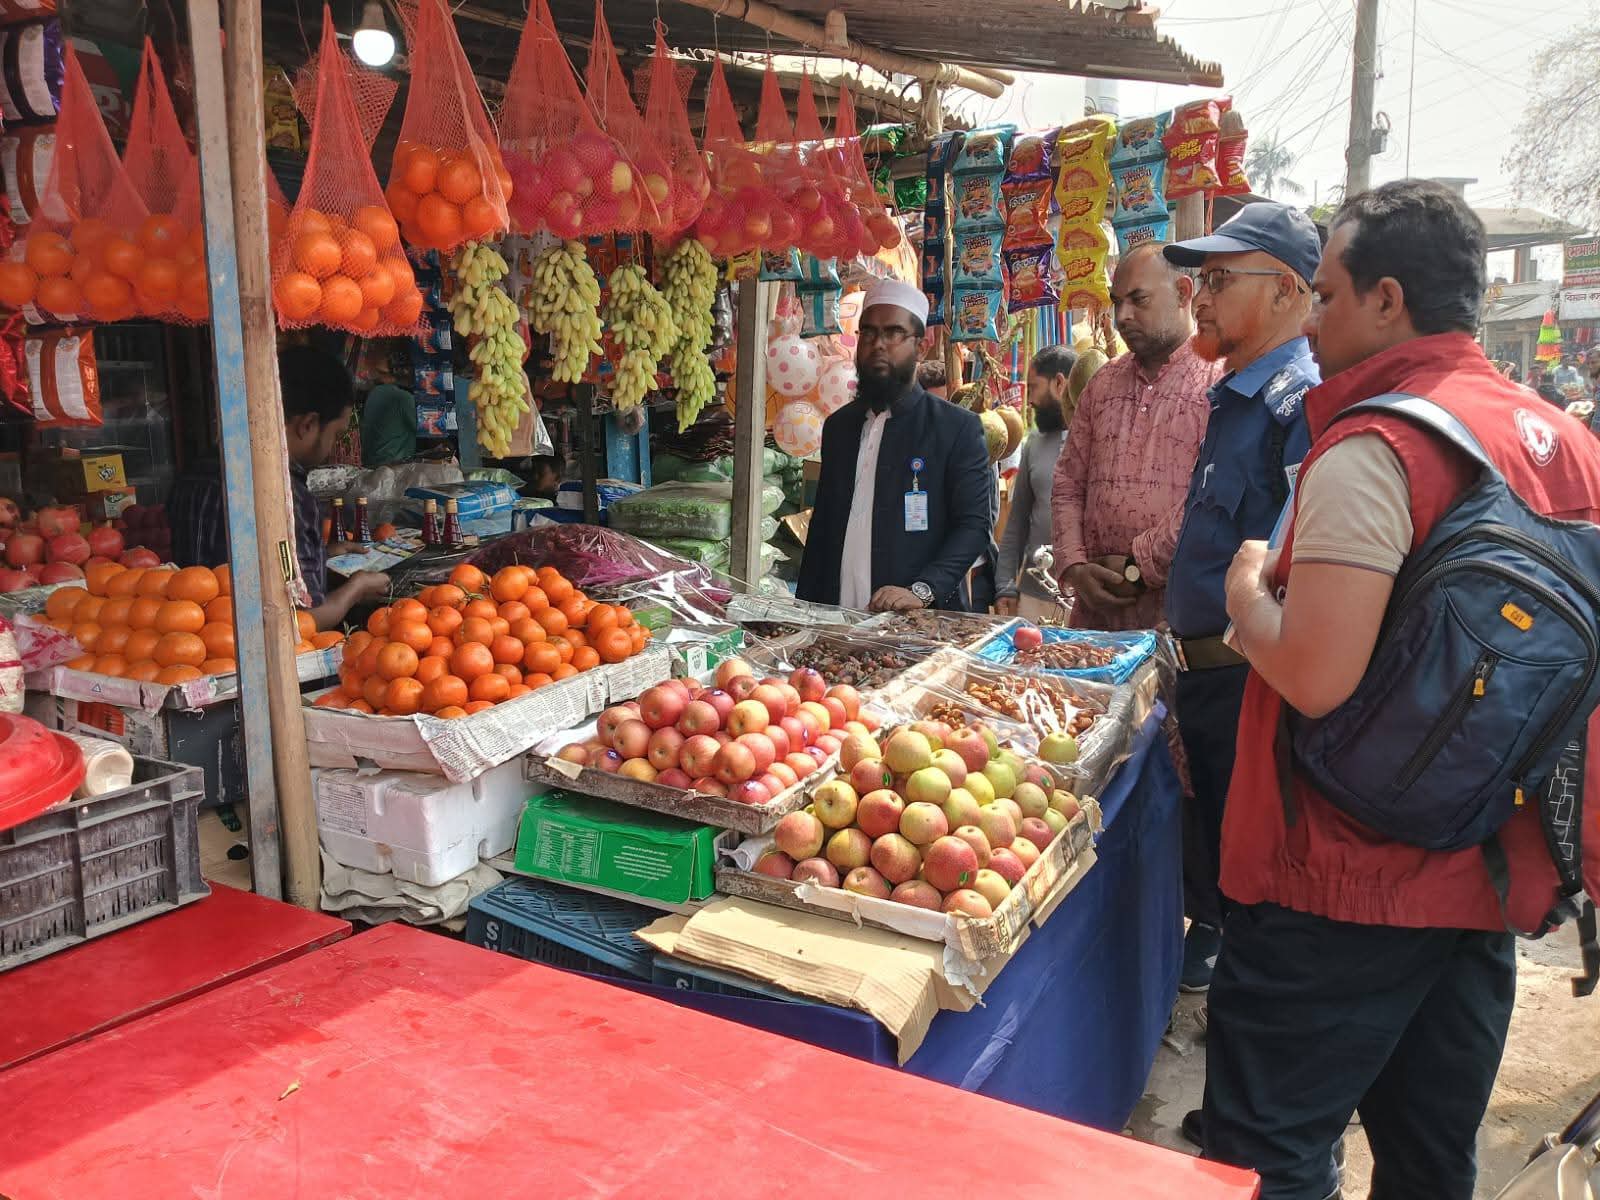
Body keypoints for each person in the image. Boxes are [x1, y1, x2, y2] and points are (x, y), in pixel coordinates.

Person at [1205, 179, 1600, 1200]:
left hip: (1339, 876)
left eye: (1327, 294)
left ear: (1387, 301)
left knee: (1268, 1154)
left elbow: (1315, 676)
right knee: (1429, 1160)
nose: (1316, 314)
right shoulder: (1567, 445)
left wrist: (1247, 592)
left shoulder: (1379, 446)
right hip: (1485, 873)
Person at [1159, 201, 1322, 994]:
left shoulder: (1298, 405)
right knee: (1215, 848)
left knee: (1253, 875)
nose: (1202, 295)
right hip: (1207, 677)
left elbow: (1301, 568)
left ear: (1290, 291)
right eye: (1200, 279)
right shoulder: (1234, 397)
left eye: (1222, 278)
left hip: (1249, 681)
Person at [1049, 243, 1220, 630]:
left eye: (1138, 300)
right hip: (1095, 620)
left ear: (1183, 293)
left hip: (1177, 624)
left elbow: (1209, 498)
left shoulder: (1219, 382)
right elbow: (1068, 483)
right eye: (1116, 302)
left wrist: (1137, 567)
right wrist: (1075, 566)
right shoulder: (1102, 383)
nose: (1122, 316)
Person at [797, 279, 992, 612]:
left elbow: (974, 527)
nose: (878, 344)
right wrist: (804, 612)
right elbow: (822, 529)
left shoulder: (956, 428)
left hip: (918, 625)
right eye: (869, 333)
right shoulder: (839, 427)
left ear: (919, 345)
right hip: (838, 618)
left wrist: (922, 590)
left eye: (893, 333)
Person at [169, 345, 390, 631]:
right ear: (307, 425)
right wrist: (356, 589)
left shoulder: (197, 471)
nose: (333, 445)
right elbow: (300, 619)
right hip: (259, 652)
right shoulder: (285, 498)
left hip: (192, 642)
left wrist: (321, 555)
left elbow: (260, 570)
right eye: (336, 434)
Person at [995, 344, 1077, 620]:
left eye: (1034, 387)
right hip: (1033, 595)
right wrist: (1005, 584)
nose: (1029, 399)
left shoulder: (1101, 441)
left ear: (1059, 383)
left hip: (1084, 600)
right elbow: (1017, 522)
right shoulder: (1034, 444)